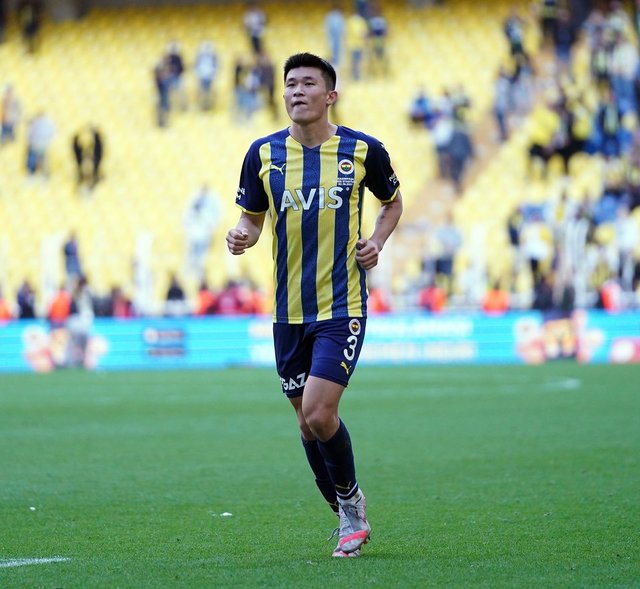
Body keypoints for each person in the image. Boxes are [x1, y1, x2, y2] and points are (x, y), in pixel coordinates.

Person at [226, 52, 403, 558]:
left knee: (321, 413)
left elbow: (392, 202)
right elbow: (252, 219)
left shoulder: (363, 150)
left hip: (341, 305)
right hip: (287, 312)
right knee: (305, 423)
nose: (296, 91)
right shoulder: (262, 154)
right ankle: (344, 511)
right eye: (290, 84)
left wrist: (376, 242)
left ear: (330, 95)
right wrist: (241, 235)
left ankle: (352, 509)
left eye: (307, 83)